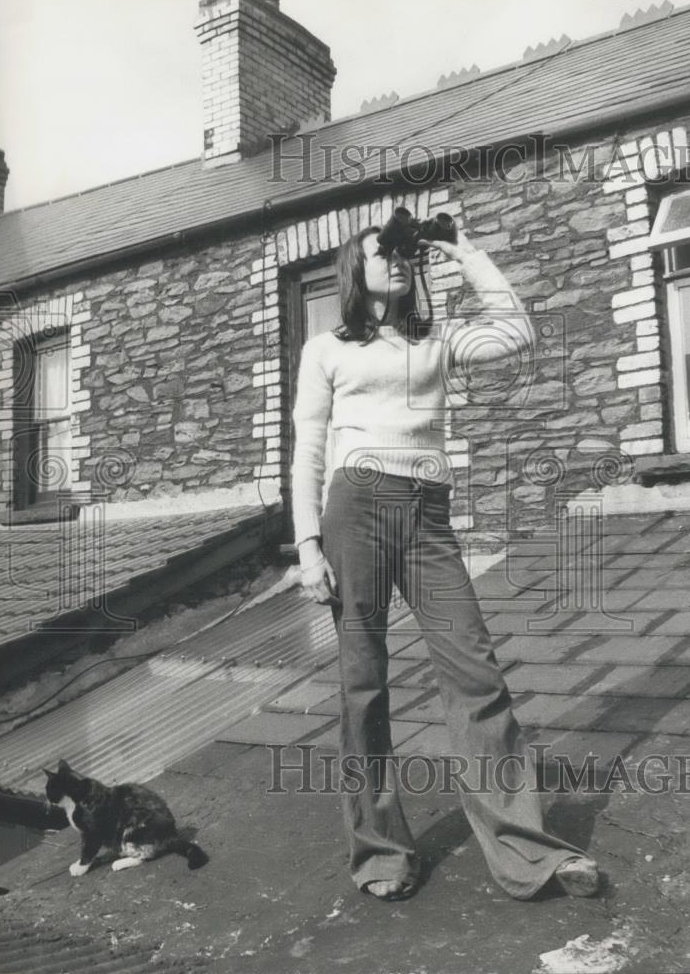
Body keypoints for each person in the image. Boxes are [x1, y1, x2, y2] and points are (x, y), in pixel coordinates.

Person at [291, 217, 599, 902]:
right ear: (353, 269)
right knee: (361, 684)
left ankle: (527, 854)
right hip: (355, 507)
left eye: (405, 257)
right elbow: (307, 450)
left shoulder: (436, 340)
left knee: (475, 673)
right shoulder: (326, 350)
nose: (397, 264)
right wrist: (307, 544)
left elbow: (516, 329)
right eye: (382, 254)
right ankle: (380, 854)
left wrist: (464, 253)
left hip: (427, 515)